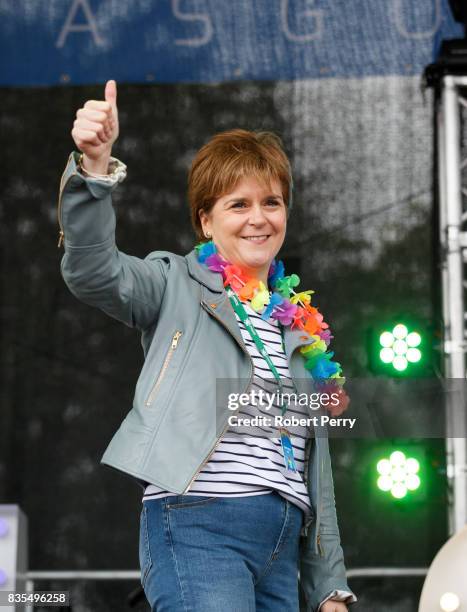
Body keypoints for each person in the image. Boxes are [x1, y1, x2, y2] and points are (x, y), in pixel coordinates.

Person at [58, 79, 358, 612]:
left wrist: (329, 584)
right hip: (198, 525)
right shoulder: (175, 283)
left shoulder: (302, 330)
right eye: (238, 204)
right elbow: (92, 272)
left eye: (272, 201)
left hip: (282, 543)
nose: (258, 217)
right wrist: (94, 170)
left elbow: (318, 471)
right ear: (205, 219)